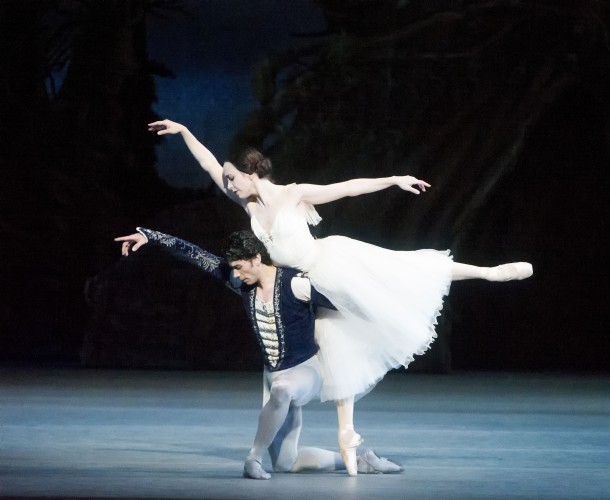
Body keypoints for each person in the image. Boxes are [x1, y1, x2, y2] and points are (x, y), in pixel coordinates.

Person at [147, 119, 534, 475]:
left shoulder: (293, 194)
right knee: (336, 350)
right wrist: (183, 133)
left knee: (401, 271)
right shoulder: (246, 204)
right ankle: (347, 437)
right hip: (300, 286)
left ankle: (488, 273)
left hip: (328, 264)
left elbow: (347, 188)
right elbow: (209, 164)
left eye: (233, 178)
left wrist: (395, 178)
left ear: (253, 173)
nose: (228, 184)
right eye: (228, 180)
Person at [114, 228, 404, 479]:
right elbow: (196, 255)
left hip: (306, 370)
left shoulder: (296, 283)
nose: (236, 274)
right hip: (272, 374)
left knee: (283, 389)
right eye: (233, 268)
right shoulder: (242, 284)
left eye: (240, 266)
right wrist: (150, 236)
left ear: (256, 259)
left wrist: (392, 310)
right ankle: (361, 460)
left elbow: (349, 300)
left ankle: (252, 458)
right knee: (286, 463)